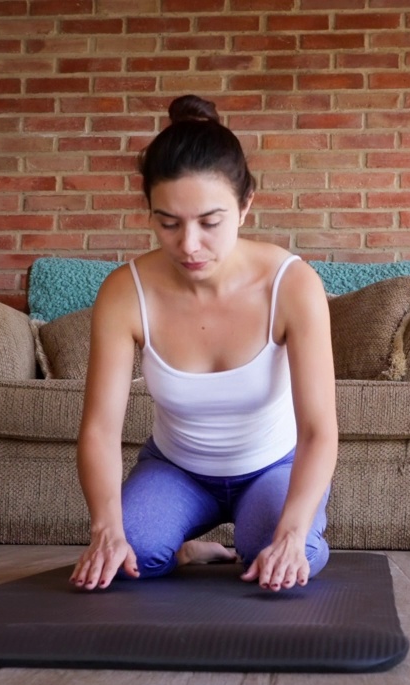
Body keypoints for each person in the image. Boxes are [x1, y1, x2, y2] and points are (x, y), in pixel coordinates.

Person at [68, 95, 338, 593]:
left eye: (210, 222)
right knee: (133, 559)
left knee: (281, 564)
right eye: (168, 223)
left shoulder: (293, 285)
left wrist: (294, 533)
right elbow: (100, 430)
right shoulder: (125, 292)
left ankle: (269, 534)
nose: (188, 245)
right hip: (177, 470)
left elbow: (320, 429)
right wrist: (106, 531)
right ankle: (184, 548)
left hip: (271, 466)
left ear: (245, 205)